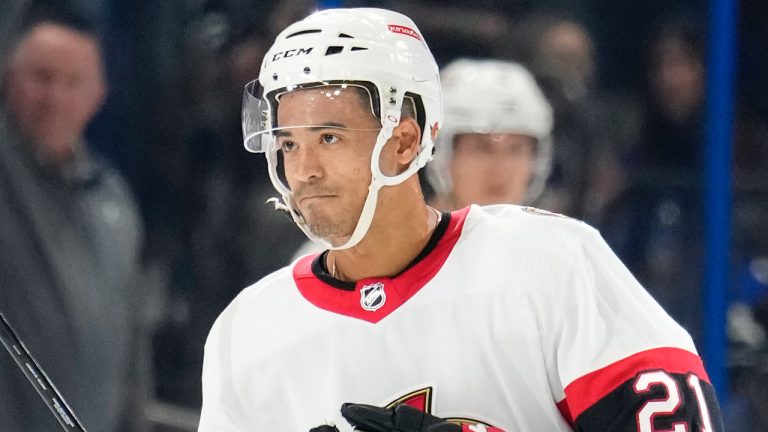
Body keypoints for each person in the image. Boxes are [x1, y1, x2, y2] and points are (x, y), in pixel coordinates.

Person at [198, 8, 724, 432]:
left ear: (404, 140)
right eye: (289, 143)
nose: (304, 170)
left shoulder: (549, 264)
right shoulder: (247, 332)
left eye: (329, 138)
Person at [0, 6, 147, 432]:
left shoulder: (114, 198)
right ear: (8, 77)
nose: (54, 98)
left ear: (98, 93)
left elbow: (132, 346)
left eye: (72, 82)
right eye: (41, 77)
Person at [427, 58, 553, 210]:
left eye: (516, 149)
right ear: (440, 154)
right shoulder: (397, 232)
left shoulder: (563, 233)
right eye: (481, 148)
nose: (500, 170)